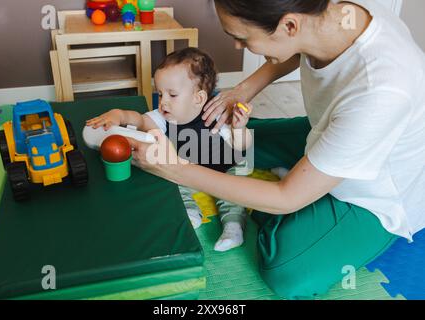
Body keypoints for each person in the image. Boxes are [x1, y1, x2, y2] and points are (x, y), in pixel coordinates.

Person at [126, 0, 425, 299]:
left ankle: (296, 204)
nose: (237, 46)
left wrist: (176, 169)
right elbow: (296, 50)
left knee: (286, 272)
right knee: (227, 143)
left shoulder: (380, 91)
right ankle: (294, 180)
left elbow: (287, 198)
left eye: (242, 37)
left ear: (289, 25)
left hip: (377, 190)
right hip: (331, 133)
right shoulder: (329, 17)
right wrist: (243, 90)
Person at [87, 47, 254, 252]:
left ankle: (233, 227)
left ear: (198, 98)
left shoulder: (216, 115)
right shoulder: (163, 116)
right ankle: (190, 213)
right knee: (171, 181)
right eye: (160, 93)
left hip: (225, 167)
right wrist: (118, 114)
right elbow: (139, 119)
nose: (163, 101)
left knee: (234, 190)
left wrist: (239, 128)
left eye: (172, 94)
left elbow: (243, 145)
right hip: (189, 172)